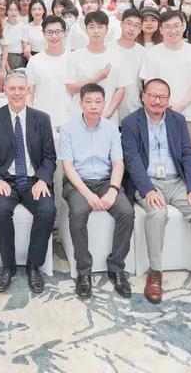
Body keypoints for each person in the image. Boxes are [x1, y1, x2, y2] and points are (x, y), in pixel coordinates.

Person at [121, 78, 191, 304]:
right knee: (157, 213)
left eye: (162, 97)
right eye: (153, 96)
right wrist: (147, 190)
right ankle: (155, 272)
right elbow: (132, 160)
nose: (157, 101)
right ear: (143, 97)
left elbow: (188, 154)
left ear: (168, 100)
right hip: (149, 182)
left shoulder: (177, 120)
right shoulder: (130, 123)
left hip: (176, 182)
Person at [0, 71, 57, 294]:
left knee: (47, 210)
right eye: (12, 88)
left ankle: (34, 266)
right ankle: (8, 266)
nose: (17, 93)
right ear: (4, 91)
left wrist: (43, 179)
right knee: (0, 210)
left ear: (28, 90)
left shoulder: (42, 119)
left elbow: (50, 157)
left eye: (21, 88)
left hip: (34, 181)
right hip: (6, 181)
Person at [59, 83, 134, 300]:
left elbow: (118, 163)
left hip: (105, 181)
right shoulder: (68, 129)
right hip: (78, 183)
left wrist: (113, 190)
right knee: (78, 213)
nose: (93, 106)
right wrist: (88, 194)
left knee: (127, 212)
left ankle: (116, 267)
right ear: (81, 104)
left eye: (98, 102)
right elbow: (68, 167)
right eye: (88, 101)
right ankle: (84, 271)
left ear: (104, 104)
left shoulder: (111, 129)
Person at [138, 11, 191, 141]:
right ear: (161, 29)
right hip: (157, 115)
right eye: (168, 27)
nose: (173, 30)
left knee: (184, 153)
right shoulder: (151, 54)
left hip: (187, 115)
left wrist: (180, 106)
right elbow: (149, 84)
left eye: (176, 26)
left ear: (183, 26)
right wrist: (164, 106)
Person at [66, 10, 126, 119]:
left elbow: (121, 88)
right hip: (79, 117)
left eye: (100, 27)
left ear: (107, 30)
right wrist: (95, 79)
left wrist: (108, 114)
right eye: (92, 27)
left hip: (107, 117)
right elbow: (70, 89)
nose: (96, 31)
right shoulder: (75, 57)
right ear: (86, 30)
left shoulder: (117, 57)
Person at [25, 15, 73, 132]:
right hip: (42, 120)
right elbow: (29, 94)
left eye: (58, 32)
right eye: (50, 32)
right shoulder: (35, 61)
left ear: (64, 33)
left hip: (69, 121)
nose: (54, 36)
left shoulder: (73, 59)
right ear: (43, 33)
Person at [110, 8, 145, 121]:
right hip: (109, 111)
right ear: (121, 24)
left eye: (136, 25)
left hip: (133, 110)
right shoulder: (108, 48)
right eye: (129, 23)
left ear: (140, 29)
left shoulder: (143, 52)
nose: (131, 28)